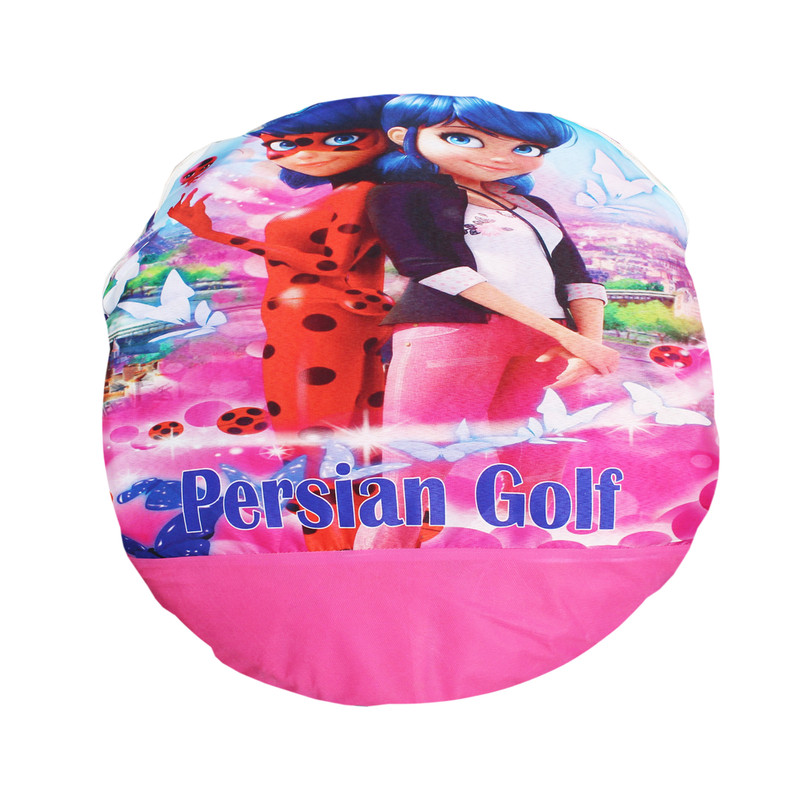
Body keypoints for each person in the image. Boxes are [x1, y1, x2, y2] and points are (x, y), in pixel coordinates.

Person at [356, 94, 619, 548]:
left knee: (539, 453)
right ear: (403, 136)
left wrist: (588, 341)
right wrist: (571, 338)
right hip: (452, 332)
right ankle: (376, 568)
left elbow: (577, 277)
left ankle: (533, 557)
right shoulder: (398, 196)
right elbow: (433, 269)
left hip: (548, 343)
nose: (499, 156)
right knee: (417, 458)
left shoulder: (533, 206)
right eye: (463, 138)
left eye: (525, 148)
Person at [168, 95, 397, 550]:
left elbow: (331, 264)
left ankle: (329, 547)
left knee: (311, 430)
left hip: (318, 323)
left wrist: (217, 235)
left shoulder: (359, 193)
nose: (311, 153)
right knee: (357, 426)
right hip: (326, 320)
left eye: (342, 139)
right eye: (289, 144)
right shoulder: (360, 194)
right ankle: (366, 540)